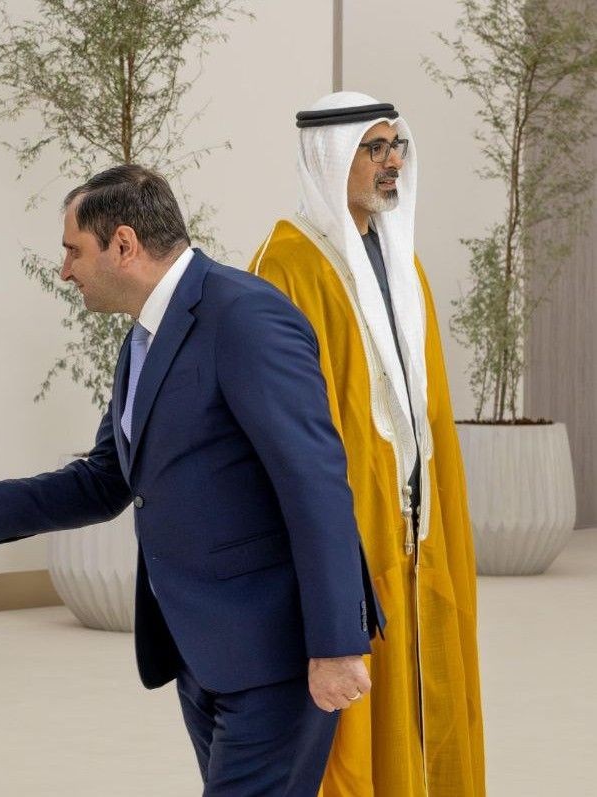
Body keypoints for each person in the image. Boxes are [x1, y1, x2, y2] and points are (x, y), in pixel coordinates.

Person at [0, 164, 382, 795]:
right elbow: (106, 480)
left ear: (124, 244)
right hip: (203, 651)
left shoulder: (246, 316)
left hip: (278, 653)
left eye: (73, 250)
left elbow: (316, 484)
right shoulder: (143, 338)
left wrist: (337, 644)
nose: (65, 271)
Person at [248, 92, 485, 795]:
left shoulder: (402, 259)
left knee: (425, 686)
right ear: (329, 158)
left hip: (414, 519)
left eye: (395, 147)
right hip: (348, 523)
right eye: (373, 148)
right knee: (348, 725)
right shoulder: (285, 265)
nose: (392, 163)